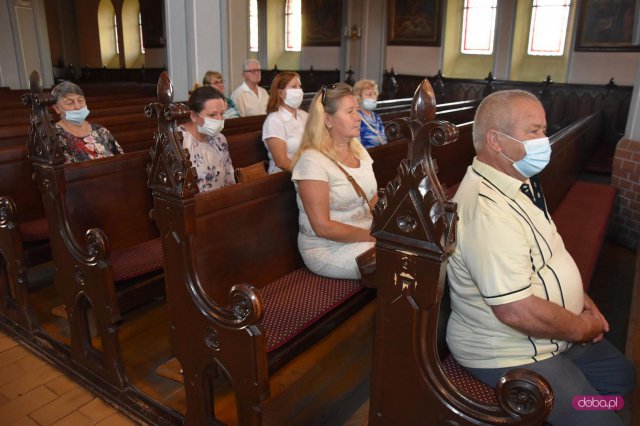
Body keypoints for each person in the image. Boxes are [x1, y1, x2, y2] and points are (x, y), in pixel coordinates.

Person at [446, 89, 635, 426]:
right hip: (511, 350)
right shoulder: (486, 209)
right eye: (533, 131)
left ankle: (575, 407)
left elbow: (548, 254)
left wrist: (581, 299)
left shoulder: (519, 180)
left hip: (549, 332)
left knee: (621, 378)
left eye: (544, 131)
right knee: (605, 422)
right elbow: (514, 309)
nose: (543, 140)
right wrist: (579, 327)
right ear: (496, 141)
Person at [291, 83, 377, 279]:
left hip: (367, 235)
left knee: (413, 251)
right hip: (328, 249)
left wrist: (388, 228)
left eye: (357, 110)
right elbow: (323, 227)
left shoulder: (358, 149)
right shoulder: (312, 161)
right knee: (398, 263)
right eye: (350, 112)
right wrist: (374, 236)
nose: (358, 117)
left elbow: (373, 197)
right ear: (328, 119)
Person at [179, 86, 235, 193]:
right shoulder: (180, 141)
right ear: (194, 116)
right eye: (212, 115)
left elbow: (229, 179)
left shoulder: (220, 139)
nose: (219, 120)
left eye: (222, 114)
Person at [51, 81, 123, 163]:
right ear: (57, 108)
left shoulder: (100, 130)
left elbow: (121, 159)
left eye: (80, 100)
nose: (77, 106)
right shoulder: (55, 135)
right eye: (70, 103)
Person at [262, 72, 308, 173]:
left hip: (308, 168)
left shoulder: (304, 116)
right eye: (293, 87)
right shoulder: (274, 120)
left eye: (299, 86)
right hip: (284, 176)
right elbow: (281, 161)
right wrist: (306, 173)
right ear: (281, 93)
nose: (299, 90)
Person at [353, 79, 387, 148]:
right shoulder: (356, 118)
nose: (374, 97)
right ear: (358, 97)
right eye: (369, 94)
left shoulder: (376, 117)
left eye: (375, 93)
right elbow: (357, 147)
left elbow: (384, 139)